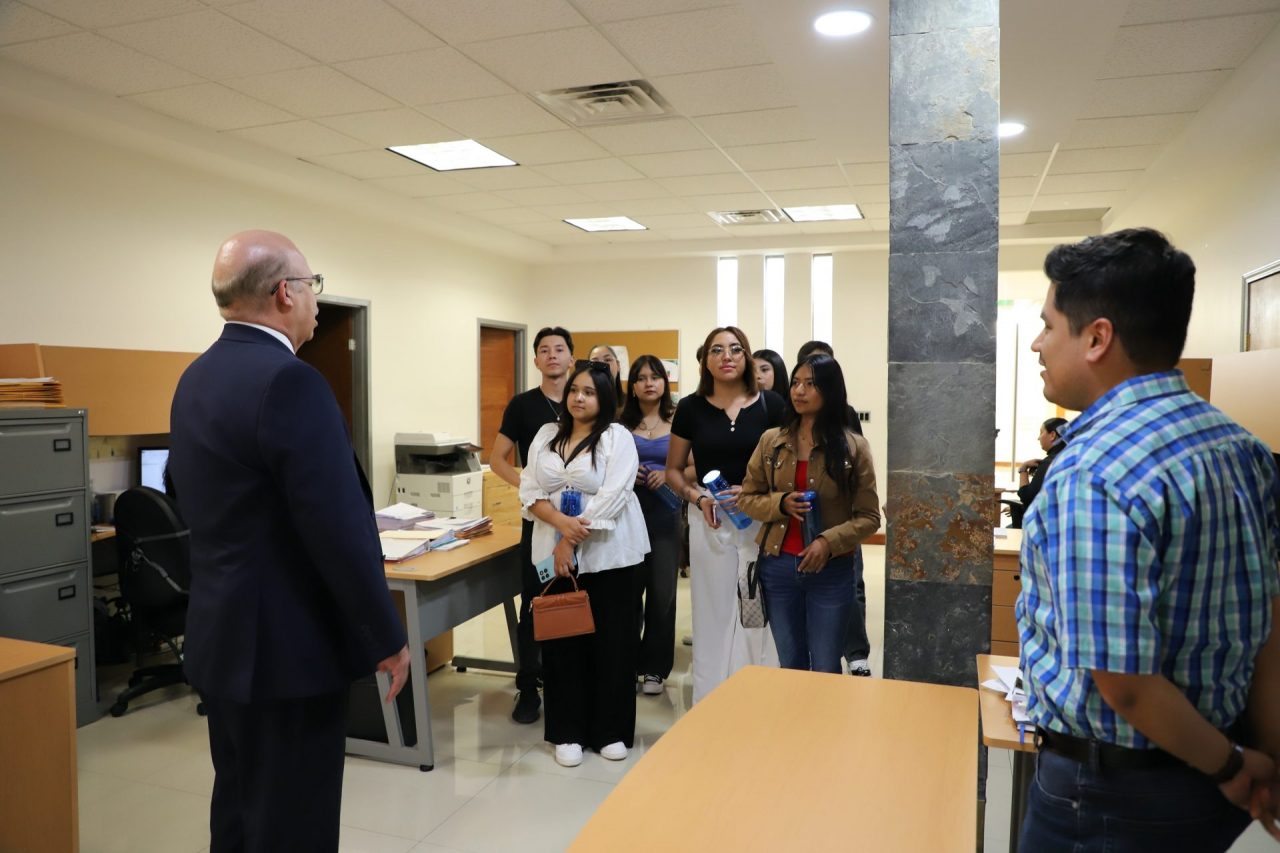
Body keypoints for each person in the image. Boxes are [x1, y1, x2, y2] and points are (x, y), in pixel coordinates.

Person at [1016, 227, 1280, 851]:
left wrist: (1233, 769)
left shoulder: (1093, 472)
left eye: (1048, 326)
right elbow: (1269, 621)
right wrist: (1261, 759)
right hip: (1217, 770)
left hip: (1111, 797)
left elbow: (1125, 681)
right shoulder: (1239, 447)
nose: (1036, 343)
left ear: (1097, 338)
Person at [168, 230, 410, 852]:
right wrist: (385, 636)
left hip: (221, 639)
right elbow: (337, 528)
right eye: (311, 285)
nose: (316, 301)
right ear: (284, 293)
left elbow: (184, 489)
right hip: (287, 651)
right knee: (293, 824)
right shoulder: (290, 381)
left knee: (239, 809)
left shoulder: (195, 377)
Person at [520, 360, 649, 767]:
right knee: (562, 640)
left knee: (613, 641)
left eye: (589, 392)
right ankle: (567, 731)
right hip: (552, 551)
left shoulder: (616, 437)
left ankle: (610, 730)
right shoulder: (546, 435)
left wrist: (569, 541)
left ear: (604, 397)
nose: (579, 397)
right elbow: (530, 488)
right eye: (575, 390)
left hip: (610, 554)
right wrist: (560, 529)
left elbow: (614, 495)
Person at [739, 355, 880, 673]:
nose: (799, 391)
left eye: (811, 384)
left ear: (830, 390)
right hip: (777, 568)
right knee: (791, 665)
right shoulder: (771, 441)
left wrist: (828, 542)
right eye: (795, 383)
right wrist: (780, 503)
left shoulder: (853, 448)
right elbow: (747, 498)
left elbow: (870, 517)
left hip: (831, 571)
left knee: (826, 666)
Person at [666, 327, 785, 703]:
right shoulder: (690, 408)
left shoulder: (771, 405)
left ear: (747, 357)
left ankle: (756, 698)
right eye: (716, 350)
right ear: (705, 361)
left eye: (735, 349)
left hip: (760, 521)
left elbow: (787, 467)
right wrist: (696, 497)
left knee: (757, 612)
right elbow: (673, 471)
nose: (726, 356)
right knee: (712, 614)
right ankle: (711, 703)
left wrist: (756, 493)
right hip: (710, 520)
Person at [490, 326, 574, 724]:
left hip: (579, 522)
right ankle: (528, 687)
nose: (552, 355)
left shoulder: (583, 398)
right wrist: (527, 485)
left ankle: (568, 681)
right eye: (544, 350)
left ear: (571, 357)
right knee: (536, 602)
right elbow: (498, 459)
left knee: (576, 598)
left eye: (559, 349)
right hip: (538, 521)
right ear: (536, 359)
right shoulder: (523, 405)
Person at [794, 339, 873, 675]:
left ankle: (856, 652)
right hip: (797, 526)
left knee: (852, 586)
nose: (803, 389)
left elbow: (856, 474)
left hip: (841, 520)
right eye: (800, 380)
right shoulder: (783, 432)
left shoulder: (847, 418)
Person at [619, 355, 680, 695]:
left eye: (655, 377)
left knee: (662, 593)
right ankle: (626, 662)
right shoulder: (619, 423)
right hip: (627, 516)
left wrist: (668, 474)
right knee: (628, 593)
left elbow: (694, 465)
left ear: (664, 383)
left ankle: (655, 668)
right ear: (633, 386)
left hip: (665, 515)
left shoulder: (678, 418)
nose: (648, 383)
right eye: (641, 378)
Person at [1009, 416, 1068, 528]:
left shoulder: (1050, 462)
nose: (1038, 438)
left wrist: (1023, 469)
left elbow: (1027, 497)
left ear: (1052, 435)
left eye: (1041, 433)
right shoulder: (1068, 457)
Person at [588, 344, 625, 409]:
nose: (602, 364)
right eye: (595, 361)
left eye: (607, 360)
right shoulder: (582, 401)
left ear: (618, 365)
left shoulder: (631, 403)